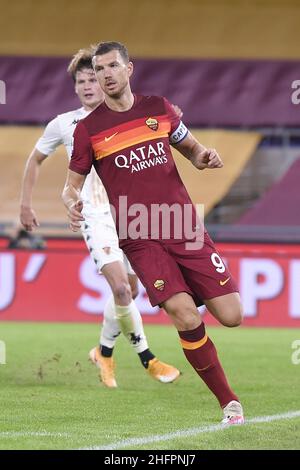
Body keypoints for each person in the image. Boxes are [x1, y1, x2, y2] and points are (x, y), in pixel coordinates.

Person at [63, 41, 245, 425]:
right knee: (183, 314)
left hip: (182, 226)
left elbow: (193, 151)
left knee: (232, 315)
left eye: (113, 66)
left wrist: (205, 157)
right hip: (139, 235)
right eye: (99, 69)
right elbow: (71, 183)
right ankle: (229, 403)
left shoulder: (158, 109)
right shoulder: (88, 130)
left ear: (129, 69)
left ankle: (197, 316)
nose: (106, 74)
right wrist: (71, 199)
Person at [20, 46, 180, 389]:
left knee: (132, 290)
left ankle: (103, 351)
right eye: (82, 81)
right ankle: (147, 359)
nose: (90, 85)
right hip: (95, 215)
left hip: (131, 214)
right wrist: (26, 204)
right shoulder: (65, 124)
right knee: (121, 288)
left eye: (94, 78)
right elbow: (34, 159)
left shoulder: (128, 116)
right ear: (75, 87)